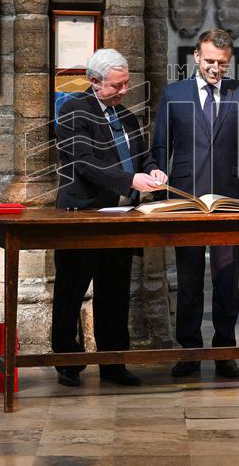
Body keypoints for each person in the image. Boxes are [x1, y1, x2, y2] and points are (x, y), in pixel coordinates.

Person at [153, 28, 239, 379]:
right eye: (211, 61)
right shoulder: (174, 94)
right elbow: (161, 147)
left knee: (227, 281)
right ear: (197, 57)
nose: (216, 69)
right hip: (185, 201)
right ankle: (189, 352)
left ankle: (224, 351)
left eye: (223, 63)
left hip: (230, 203)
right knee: (188, 282)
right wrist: (157, 188)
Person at [53, 49, 168, 387]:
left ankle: (114, 362)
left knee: (115, 291)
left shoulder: (127, 116)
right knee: (71, 290)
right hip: (83, 215)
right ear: (94, 81)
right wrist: (130, 180)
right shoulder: (74, 110)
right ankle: (67, 362)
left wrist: (153, 170)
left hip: (121, 217)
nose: (123, 91)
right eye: (117, 85)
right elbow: (84, 161)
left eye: (126, 83)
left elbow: (143, 156)